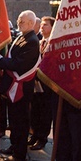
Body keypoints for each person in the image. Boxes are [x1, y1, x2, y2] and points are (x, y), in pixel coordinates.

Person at [0, 10, 41, 161]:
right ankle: (14, 146)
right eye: (19, 20)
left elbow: (19, 65)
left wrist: (0, 60)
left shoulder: (32, 41)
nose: (19, 23)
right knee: (13, 119)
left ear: (31, 23)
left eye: (22, 21)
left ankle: (20, 154)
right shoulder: (22, 37)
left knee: (20, 121)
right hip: (13, 86)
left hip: (21, 88)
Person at [28, 16, 55, 150]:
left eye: (46, 25)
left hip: (47, 86)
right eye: (42, 25)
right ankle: (34, 135)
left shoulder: (54, 45)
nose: (42, 27)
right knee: (35, 112)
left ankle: (42, 138)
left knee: (45, 113)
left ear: (52, 27)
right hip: (36, 84)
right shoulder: (40, 42)